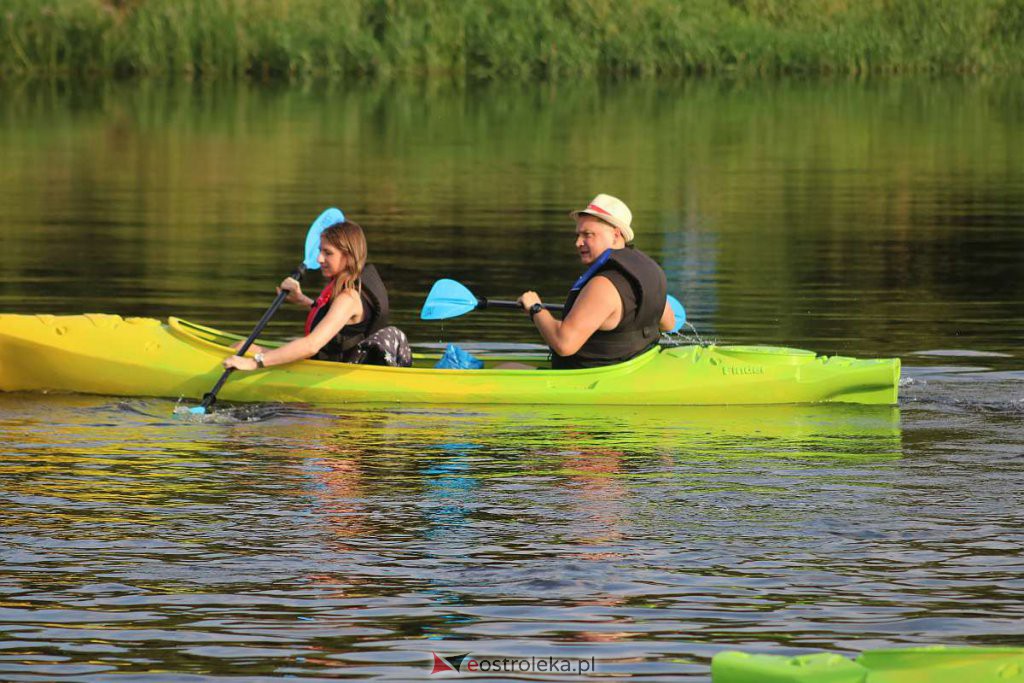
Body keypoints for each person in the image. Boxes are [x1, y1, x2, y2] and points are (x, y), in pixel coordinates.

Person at [222, 219, 412, 372]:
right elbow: (342, 326)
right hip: (326, 363)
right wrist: (303, 300)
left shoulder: (349, 297)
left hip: (330, 372)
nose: (319, 258)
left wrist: (255, 363)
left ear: (348, 256)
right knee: (241, 346)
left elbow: (312, 345)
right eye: (321, 250)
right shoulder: (348, 287)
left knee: (242, 349)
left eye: (327, 253)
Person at [517, 194, 674, 370]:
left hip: (587, 381)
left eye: (588, 235)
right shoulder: (646, 273)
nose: (578, 242)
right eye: (578, 235)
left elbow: (564, 343)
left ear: (615, 235)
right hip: (631, 369)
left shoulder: (603, 285)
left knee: (507, 367)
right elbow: (668, 323)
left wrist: (536, 308)